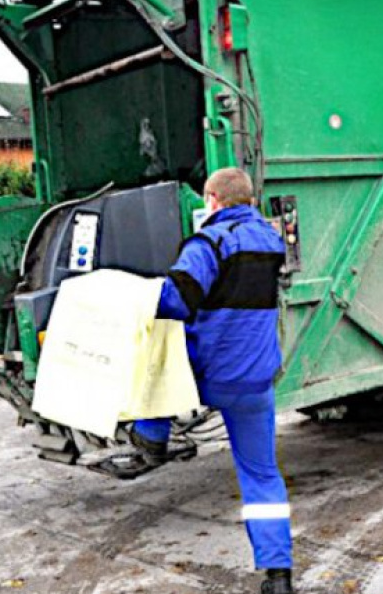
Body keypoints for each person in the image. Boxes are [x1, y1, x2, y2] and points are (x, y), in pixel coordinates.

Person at [130, 167, 294, 594]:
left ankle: (151, 438)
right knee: (261, 473)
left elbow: (175, 301)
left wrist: (138, 297)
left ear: (213, 200)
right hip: (256, 381)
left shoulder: (209, 243)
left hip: (210, 377)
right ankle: (278, 576)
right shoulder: (272, 243)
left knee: (160, 348)